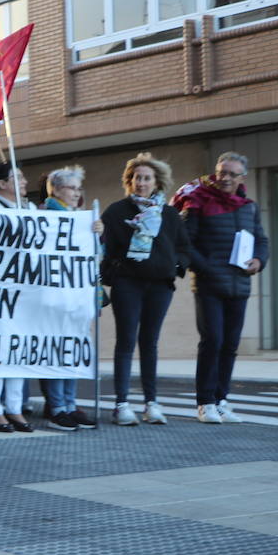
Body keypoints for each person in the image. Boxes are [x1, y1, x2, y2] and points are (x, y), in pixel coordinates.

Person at [173, 151, 270, 424]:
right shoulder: (197, 202)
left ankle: (221, 398)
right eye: (221, 172)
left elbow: (262, 241)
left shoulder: (249, 206)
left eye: (231, 173)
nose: (225, 178)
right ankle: (205, 402)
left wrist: (259, 261)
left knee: (229, 345)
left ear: (242, 177)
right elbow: (185, 243)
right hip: (208, 284)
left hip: (239, 284)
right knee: (212, 341)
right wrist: (207, 268)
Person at [101, 152, 191, 426]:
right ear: (130, 181)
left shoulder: (170, 214)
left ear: (156, 181)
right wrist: (115, 271)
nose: (141, 183)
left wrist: (175, 266)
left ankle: (151, 403)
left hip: (159, 285)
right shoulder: (117, 212)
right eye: (137, 178)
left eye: (146, 178)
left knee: (150, 343)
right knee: (126, 342)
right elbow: (105, 247)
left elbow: (183, 247)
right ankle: (122, 404)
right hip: (128, 284)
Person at [41, 166, 101, 431]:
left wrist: (97, 235)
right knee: (57, 350)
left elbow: (96, 256)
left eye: (79, 189)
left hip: (77, 296)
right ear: (56, 190)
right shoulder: (45, 216)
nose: (77, 193)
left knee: (72, 350)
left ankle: (69, 403)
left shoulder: (80, 218)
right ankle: (56, 407)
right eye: (72, 188)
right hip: (54, 296)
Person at [0, 163, 35, 434]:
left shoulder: (31, 209)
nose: (24, 181)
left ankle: (14, 407)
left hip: (25, 292)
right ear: (1, 184)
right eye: (18, 177)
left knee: (19, 349)